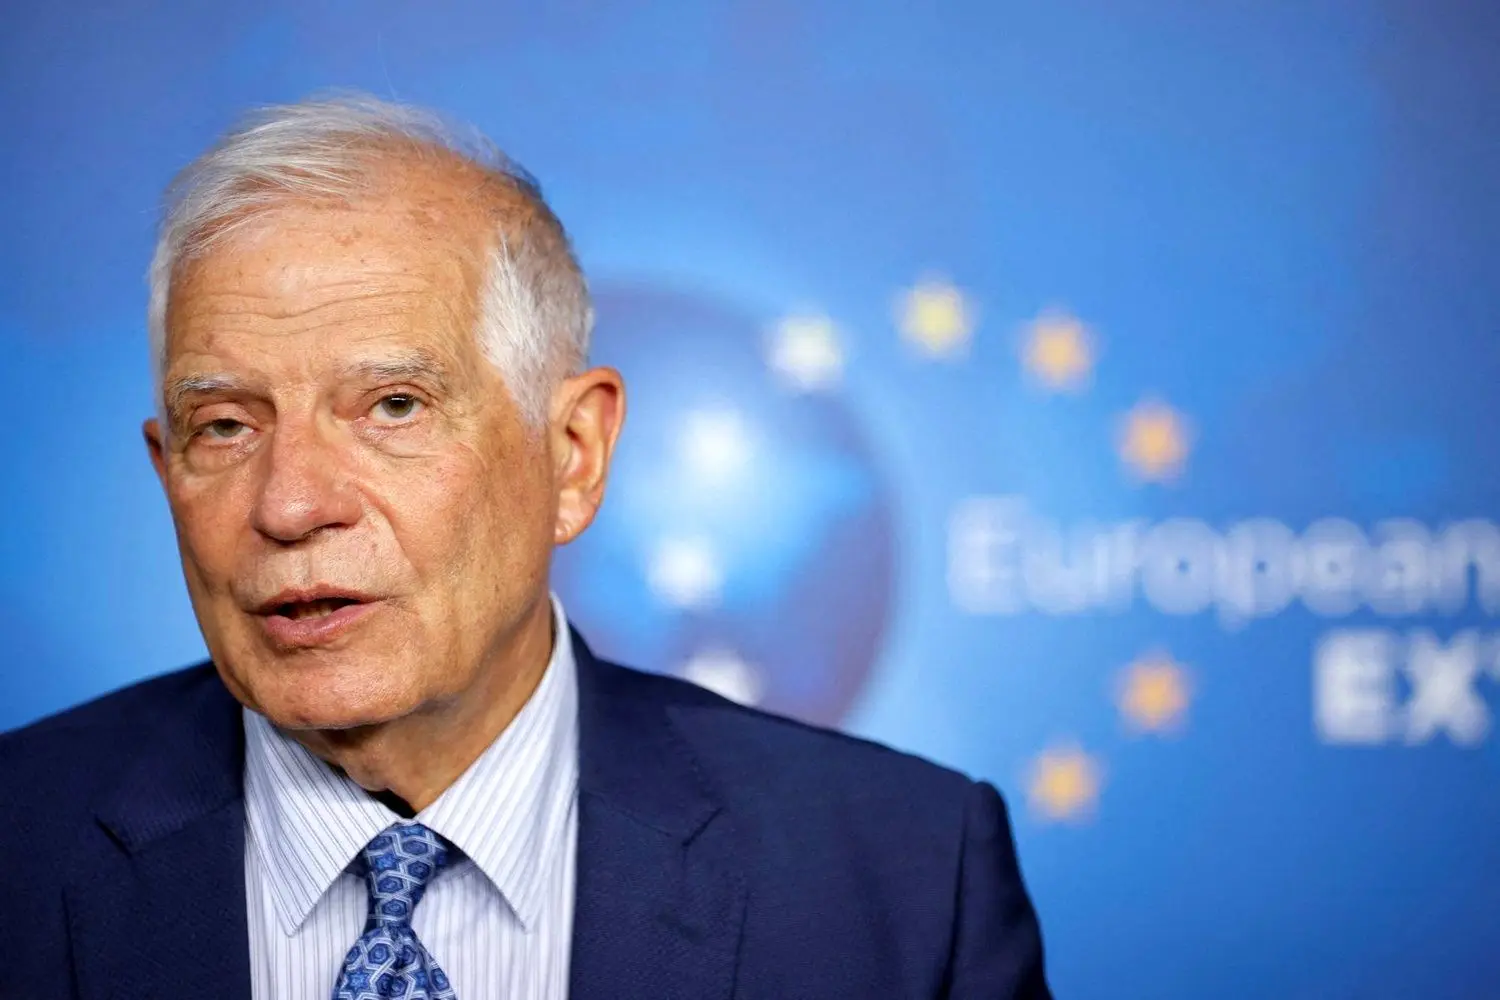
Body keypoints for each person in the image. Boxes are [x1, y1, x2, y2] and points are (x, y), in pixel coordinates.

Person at [0, 93, 1050, 1000]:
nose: (291, 504)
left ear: (573, 454)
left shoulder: (909, 881)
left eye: (393, 405)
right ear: (166, 467)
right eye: (226, 425)